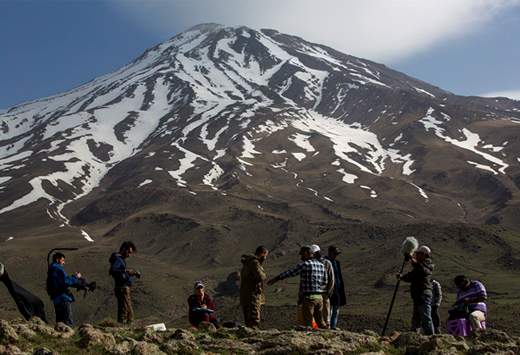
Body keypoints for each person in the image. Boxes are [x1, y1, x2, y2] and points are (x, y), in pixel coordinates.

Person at [268, 245, 328, 329]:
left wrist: (276, 279)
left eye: (302, 254)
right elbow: (325, 281)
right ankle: (328, 335)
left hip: (309, 298)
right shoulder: (321, 265)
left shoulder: (305, 264)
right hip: (319, 297)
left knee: (308, 322)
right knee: (320, 321)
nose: (301, 257)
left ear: (306, 253)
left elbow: (290, 272)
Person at [397, 245, 435, 335]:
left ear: (423, 255)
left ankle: (432, 338)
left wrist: (411, 259)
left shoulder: (427, 265)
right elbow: (411, 276)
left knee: (425, 317)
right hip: (418, 295)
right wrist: (402, 277)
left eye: (418, 254)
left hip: (423, 295)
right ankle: (415, 337)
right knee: (416, 318)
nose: (416, 255)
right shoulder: (420, 266)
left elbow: (422, 270)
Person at [46, 253, 81, 326]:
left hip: (56, 299)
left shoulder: (52, 269)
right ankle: (69, 336)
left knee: (60, 324)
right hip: (63, 298)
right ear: (57, 260)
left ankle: (61, 336)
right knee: (67, 323)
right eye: (63, 260)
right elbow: (66, 282)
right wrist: (76, 277)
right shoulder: (57, 269)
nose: (64, 262)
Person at [109, 241, 138, 324]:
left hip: (122, 288)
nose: (129, 255)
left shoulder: (119, 259)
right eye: (128, 252)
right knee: (125, 311)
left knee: (127, 311)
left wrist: (130, 273)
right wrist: (126, 271)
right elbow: (113, 270)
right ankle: (122, 328)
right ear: (124, 249)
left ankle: (125, 328)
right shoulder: (118, 259)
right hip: (122, 288)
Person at [240, 246, 269, 328]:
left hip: (245, 294)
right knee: (253, 315)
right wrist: (264, 274)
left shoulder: (247, 263)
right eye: (265, 255)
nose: (265, 257)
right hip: (253, 293)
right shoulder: (254, 263)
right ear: (262, 254)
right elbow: (260, 276)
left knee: (247, 316)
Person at [311, 244, 334, 328]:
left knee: (325, 310)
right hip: (314, 292)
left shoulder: (327, 263)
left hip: (324, 292)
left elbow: (331, 278)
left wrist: (329, 291)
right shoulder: (311, 263)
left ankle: (327, 325)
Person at [325, 246, 346, 330]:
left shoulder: (336, 263)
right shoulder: (325, 261)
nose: (336, 255)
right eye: (335, 253)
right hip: (329, 288)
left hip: (337, 288)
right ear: (330, 252)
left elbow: (339, 276)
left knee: (336, 308)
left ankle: (333, 325)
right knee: (329, 308)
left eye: (337, 254)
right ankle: (328, 325)